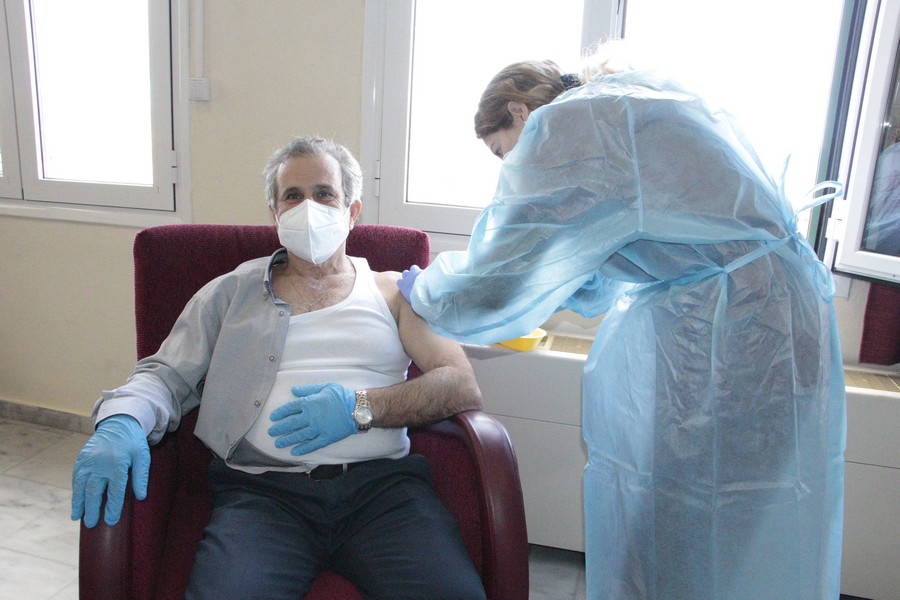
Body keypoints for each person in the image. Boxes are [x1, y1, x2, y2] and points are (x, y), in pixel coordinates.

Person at [398, 42, 846, 599]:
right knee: (736, 517)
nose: (509, 165)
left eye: (500, 150)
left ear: (518, 111)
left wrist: (427, 290)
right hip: (770, 312)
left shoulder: (565, 126)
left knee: (693, 511)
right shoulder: (618, 107)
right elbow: (600, 270)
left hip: (743, 329)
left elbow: (499, 276)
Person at [70, 136, 487, 600]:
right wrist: (124, 420)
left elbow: (459, 383)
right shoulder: (230, 292)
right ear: (275, 213)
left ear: (352, 211)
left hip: (383, 493)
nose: (308, 207)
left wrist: (360, 408)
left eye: (324, 193)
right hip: (263, 494)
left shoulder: (394, 291)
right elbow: (166, 374)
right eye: (293, 196)